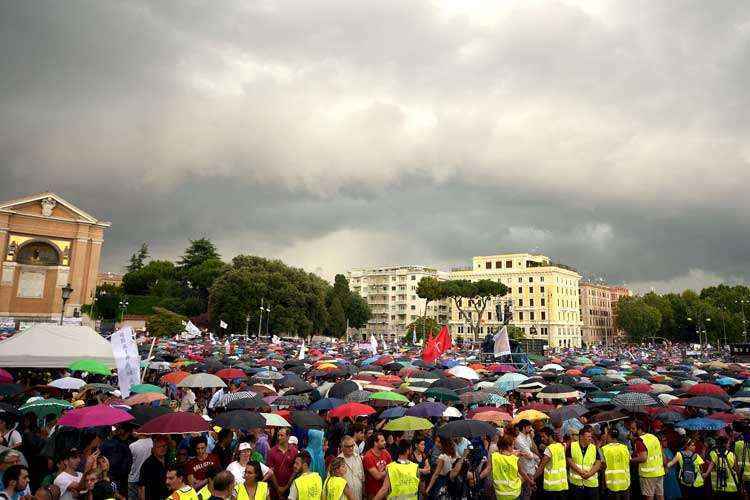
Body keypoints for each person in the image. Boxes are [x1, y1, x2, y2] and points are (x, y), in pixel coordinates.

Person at [480, 434, 529, 500]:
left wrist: (477, 478)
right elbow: (522, 473)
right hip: (514, 493)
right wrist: (531, 482)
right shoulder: (514, 459)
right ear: (508, 446)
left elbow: (487, 470)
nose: (513, 447)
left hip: (500, 494)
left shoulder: (494, 457)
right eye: (513, 445)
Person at [628, 419, 665, 500]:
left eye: (633, 429)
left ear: (640, 429)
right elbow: (661, 453)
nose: (631, 430)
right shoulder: (653, 437)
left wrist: (630, 460)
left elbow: (643, 458)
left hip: (648, 474)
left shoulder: (639, 441)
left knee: (649, 497)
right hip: (659, 472)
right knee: (660, 495)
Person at [567, 425, 601, 500]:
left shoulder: (593, 447)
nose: (590, 438)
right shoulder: (572, 446)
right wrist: (580, 471)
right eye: (588, 436)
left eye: (590, 436)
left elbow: (598, 463)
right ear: (581, 437)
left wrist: (590, 474)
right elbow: (569, 460)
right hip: (576, 484)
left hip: (591, 483)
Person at [534, 427, 568, 499]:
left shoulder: (549, 449)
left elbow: (541, 468)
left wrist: (532, 479)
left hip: (552, 486)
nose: (542, 439)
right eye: (541, 437)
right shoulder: (561, 446)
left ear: (550, 436)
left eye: (543, 436)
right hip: (562, 485)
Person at [424, 436, 462, 500]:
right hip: (455, 483)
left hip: (443, 482)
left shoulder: (442, 457)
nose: (437, 444)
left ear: (443, 444)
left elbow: (436, 474)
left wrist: (428, 489)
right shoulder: (456, 454)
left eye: (439, 442)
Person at [600, 427, 631, 500]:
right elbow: (628, 461)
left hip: (611, 484)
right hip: (625, 483)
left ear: (609, 436)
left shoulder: (604, 449)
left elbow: (602, 465)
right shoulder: (624, 448)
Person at [267, 428, 298, 499]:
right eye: (278, 435)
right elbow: (271, 471)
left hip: (289, 488)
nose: (279, 438)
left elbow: (295, 471)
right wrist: (278, 488)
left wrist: (286, 486)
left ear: (288, 437)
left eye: (282, 435)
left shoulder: (294, 451)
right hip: (274, 489)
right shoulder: (272, 451)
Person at [514, 420, 539, 500]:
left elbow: (534, 449)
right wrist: (536, 457)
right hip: (525, 470)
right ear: (524, 428)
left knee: (530, 493)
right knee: (526, 494)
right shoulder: (519, 439)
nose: (531, 429)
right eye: (529, 427)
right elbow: (529, 455)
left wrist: (532, 438)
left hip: (532, 468)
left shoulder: (528, 436)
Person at [362, 434, 392, 500]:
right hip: (373, 493)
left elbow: (392, 468)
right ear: (375, 443)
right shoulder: (368, 457)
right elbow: (377, 476)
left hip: (385, 491)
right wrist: (387, 470)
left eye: (384, 440)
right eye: (382, 441)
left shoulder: (386, 453)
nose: (385, 442)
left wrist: (386, 470)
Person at [127, 435, 152, 500]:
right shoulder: (153, 443)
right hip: (149, 478)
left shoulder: (132, 446)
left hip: (134, 477)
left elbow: (129, 463)